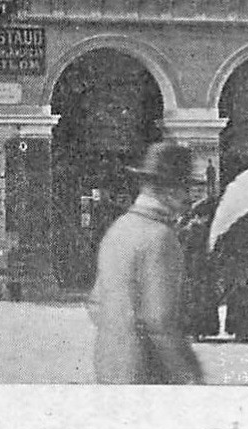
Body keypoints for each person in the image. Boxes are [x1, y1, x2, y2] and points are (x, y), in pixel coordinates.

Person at [87, 141, 204, 385]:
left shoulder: (119, 228)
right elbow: (159, 321)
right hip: (148, 370)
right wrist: (188, 377)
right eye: (186, 188)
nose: (189, 198)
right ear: (168, 190)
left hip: (110, 362)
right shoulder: (160, 236)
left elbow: (96, 304)